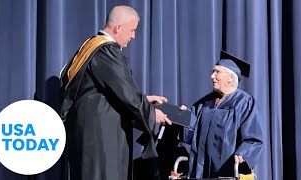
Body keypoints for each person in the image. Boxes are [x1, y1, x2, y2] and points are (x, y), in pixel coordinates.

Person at [60, 5, 172, 180]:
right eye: (132, 30)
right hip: (102, 140)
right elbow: (125, 94)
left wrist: (145, 99)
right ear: (118, 28)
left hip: (87, 134)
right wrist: (151, 114)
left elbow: (103, 91)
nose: (134, 36)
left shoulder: (89, 46)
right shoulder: (106, 51)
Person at [180, 50, 263, 178]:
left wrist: (243, 154)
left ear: (230, 78)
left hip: (226, 171)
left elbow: (253, 137)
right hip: (199, 172)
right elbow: (191, 135)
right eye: (213, 72)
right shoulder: (204, 103)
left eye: (217, 72)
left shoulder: (244, 103)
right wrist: (183, 117)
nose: (212, 76)